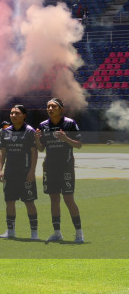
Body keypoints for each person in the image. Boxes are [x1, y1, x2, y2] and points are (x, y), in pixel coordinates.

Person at [35, 98, 84, 244]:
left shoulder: (70, 123)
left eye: (53, 106)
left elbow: (79, 145)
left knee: (69, 199)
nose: (50, 109)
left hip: (66, 166)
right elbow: (41, 148)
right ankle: (57, 233)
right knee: (54, 200)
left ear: (61, 109)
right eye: (48, 106)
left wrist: (65, 138)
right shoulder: (43, 125)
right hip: (50, 167)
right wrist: (37, 139)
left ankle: (79, 234)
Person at [0, 104, 39, 240]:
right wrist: (0, 169)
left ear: (24, 115)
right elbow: (3, 152)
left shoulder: (29, 131)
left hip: (25, 172)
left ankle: (34, 233)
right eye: (12, 113)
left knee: (29, 202)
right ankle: (11, 231)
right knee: (9, 201)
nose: (13, 116)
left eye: (17, 113)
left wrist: (32, 171)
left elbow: (34, 153)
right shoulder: (5, 132)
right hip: (10, 173)